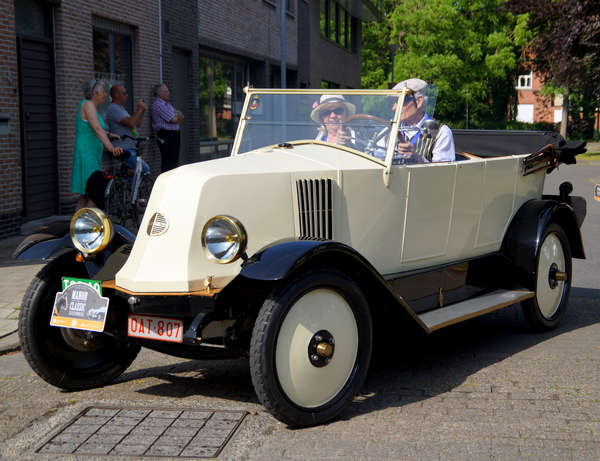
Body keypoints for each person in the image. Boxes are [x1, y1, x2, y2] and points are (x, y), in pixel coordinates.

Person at [71, 78, 124, 210]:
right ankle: (88, 225)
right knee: (93, 191)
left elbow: (95, 128)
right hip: (86, 153)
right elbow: (96, 128)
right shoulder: (88, 105)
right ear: (94, 94)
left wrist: (111, 135)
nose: (106, 94)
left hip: (92, 153)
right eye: (103, 91)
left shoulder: (92, 107)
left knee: (87, 193)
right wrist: (111, 147)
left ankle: (79, 225)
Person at [390, 78, 455, 163]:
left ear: (419, 101)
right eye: (393, 102)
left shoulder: (441, 132)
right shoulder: (388, 131)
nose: (394, 108)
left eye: (401, 101)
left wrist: (417, 158)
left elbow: (443, 172)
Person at [105, 85, 150, 176]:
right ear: (116, 95)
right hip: (124, 148)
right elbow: (130, 123)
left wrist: (142, 112)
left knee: (136, 178)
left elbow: (136, 124)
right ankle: (121, 172)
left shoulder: (121, 109)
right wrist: (139, 109)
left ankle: (128, 189)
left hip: (131, 148)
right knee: (145, 170)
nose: (127, 95)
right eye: (124, 93)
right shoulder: (114, 108)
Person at [150, 83, 184, 172]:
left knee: (174, 162)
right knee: (168, 163)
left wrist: (176, 115)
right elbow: (174, 119)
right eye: (166, 91)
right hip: (166, 135)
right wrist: (176, 114)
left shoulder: (167, 105)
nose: (169, 93)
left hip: (174, 135)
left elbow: (182, 116)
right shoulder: (159, 105)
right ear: (159, 93)